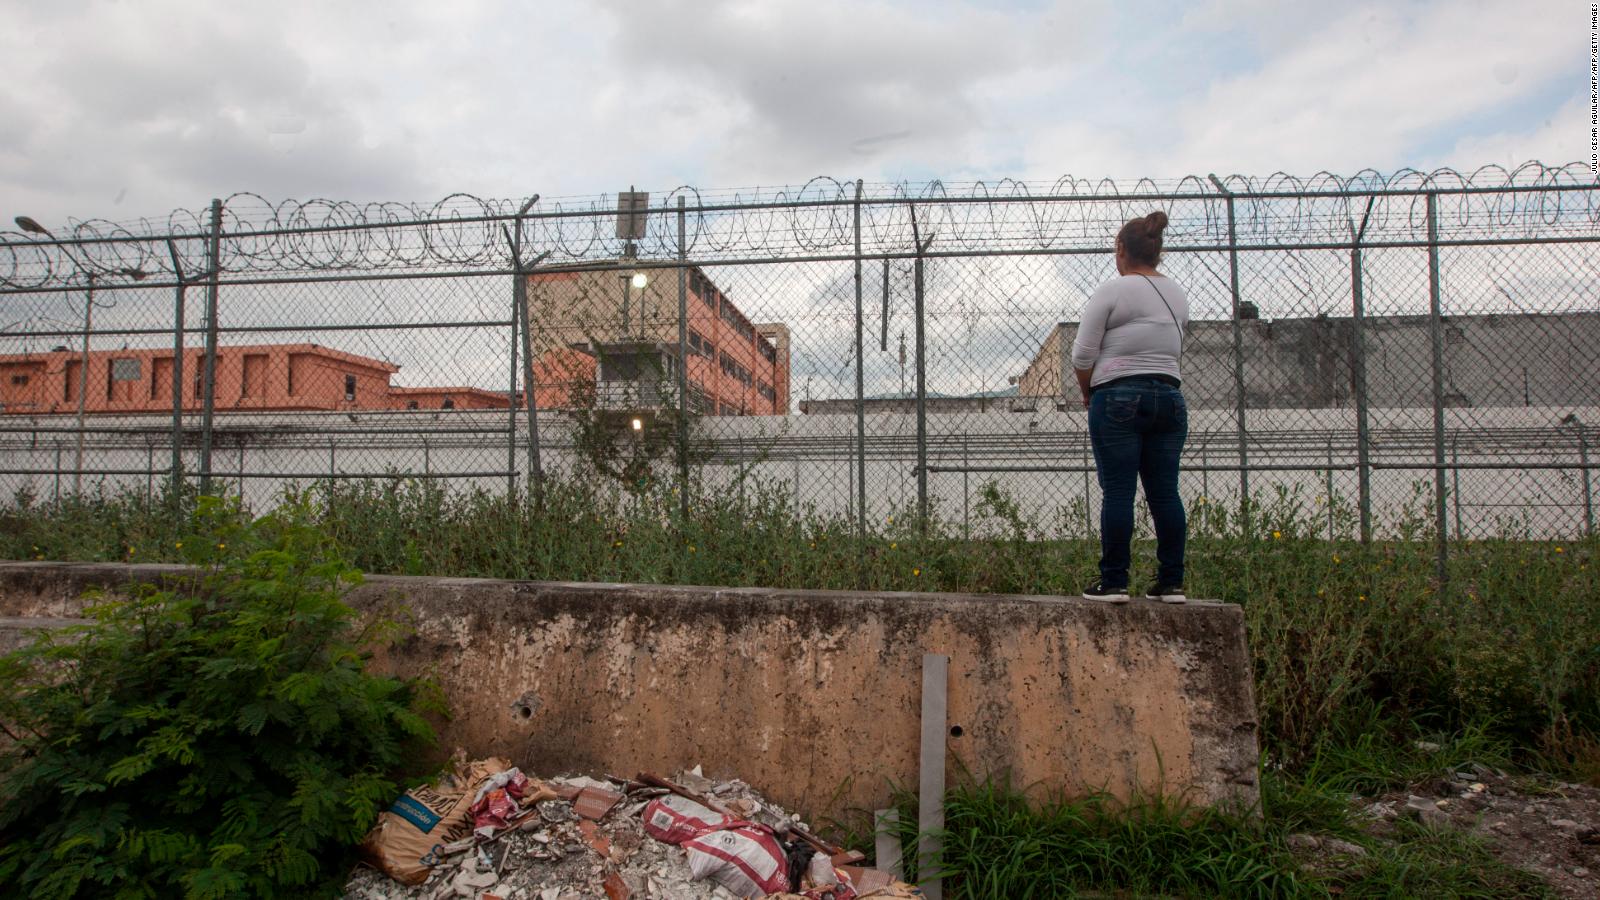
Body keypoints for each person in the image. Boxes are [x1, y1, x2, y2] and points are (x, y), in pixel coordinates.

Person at [1070, 211, 1190, 604]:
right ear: (1157, 252)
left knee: (1118, 492)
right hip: (1170, 399)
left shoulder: (1112, 290)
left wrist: (1089, 392)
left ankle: (1114, 581)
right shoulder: (1176, 293)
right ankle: (1171, 582)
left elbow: (1083, 354)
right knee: (1165, 493)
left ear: (1121, 250)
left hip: (1118, 397)